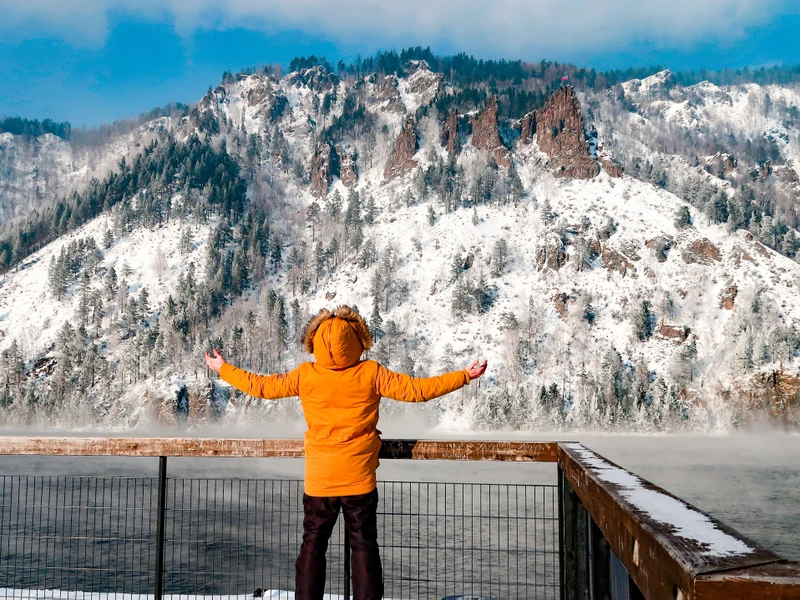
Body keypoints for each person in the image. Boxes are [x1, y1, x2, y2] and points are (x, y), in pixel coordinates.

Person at [204, 305, 488, 600]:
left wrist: (224, 368)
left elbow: (260, 387)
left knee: (313, 546)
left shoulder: (306, 375)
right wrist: (463, 376)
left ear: (315, 343)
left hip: (320, 480)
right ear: (357, 339)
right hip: (359, 478)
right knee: (363, 546)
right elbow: (418, 390)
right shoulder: (371, 372)